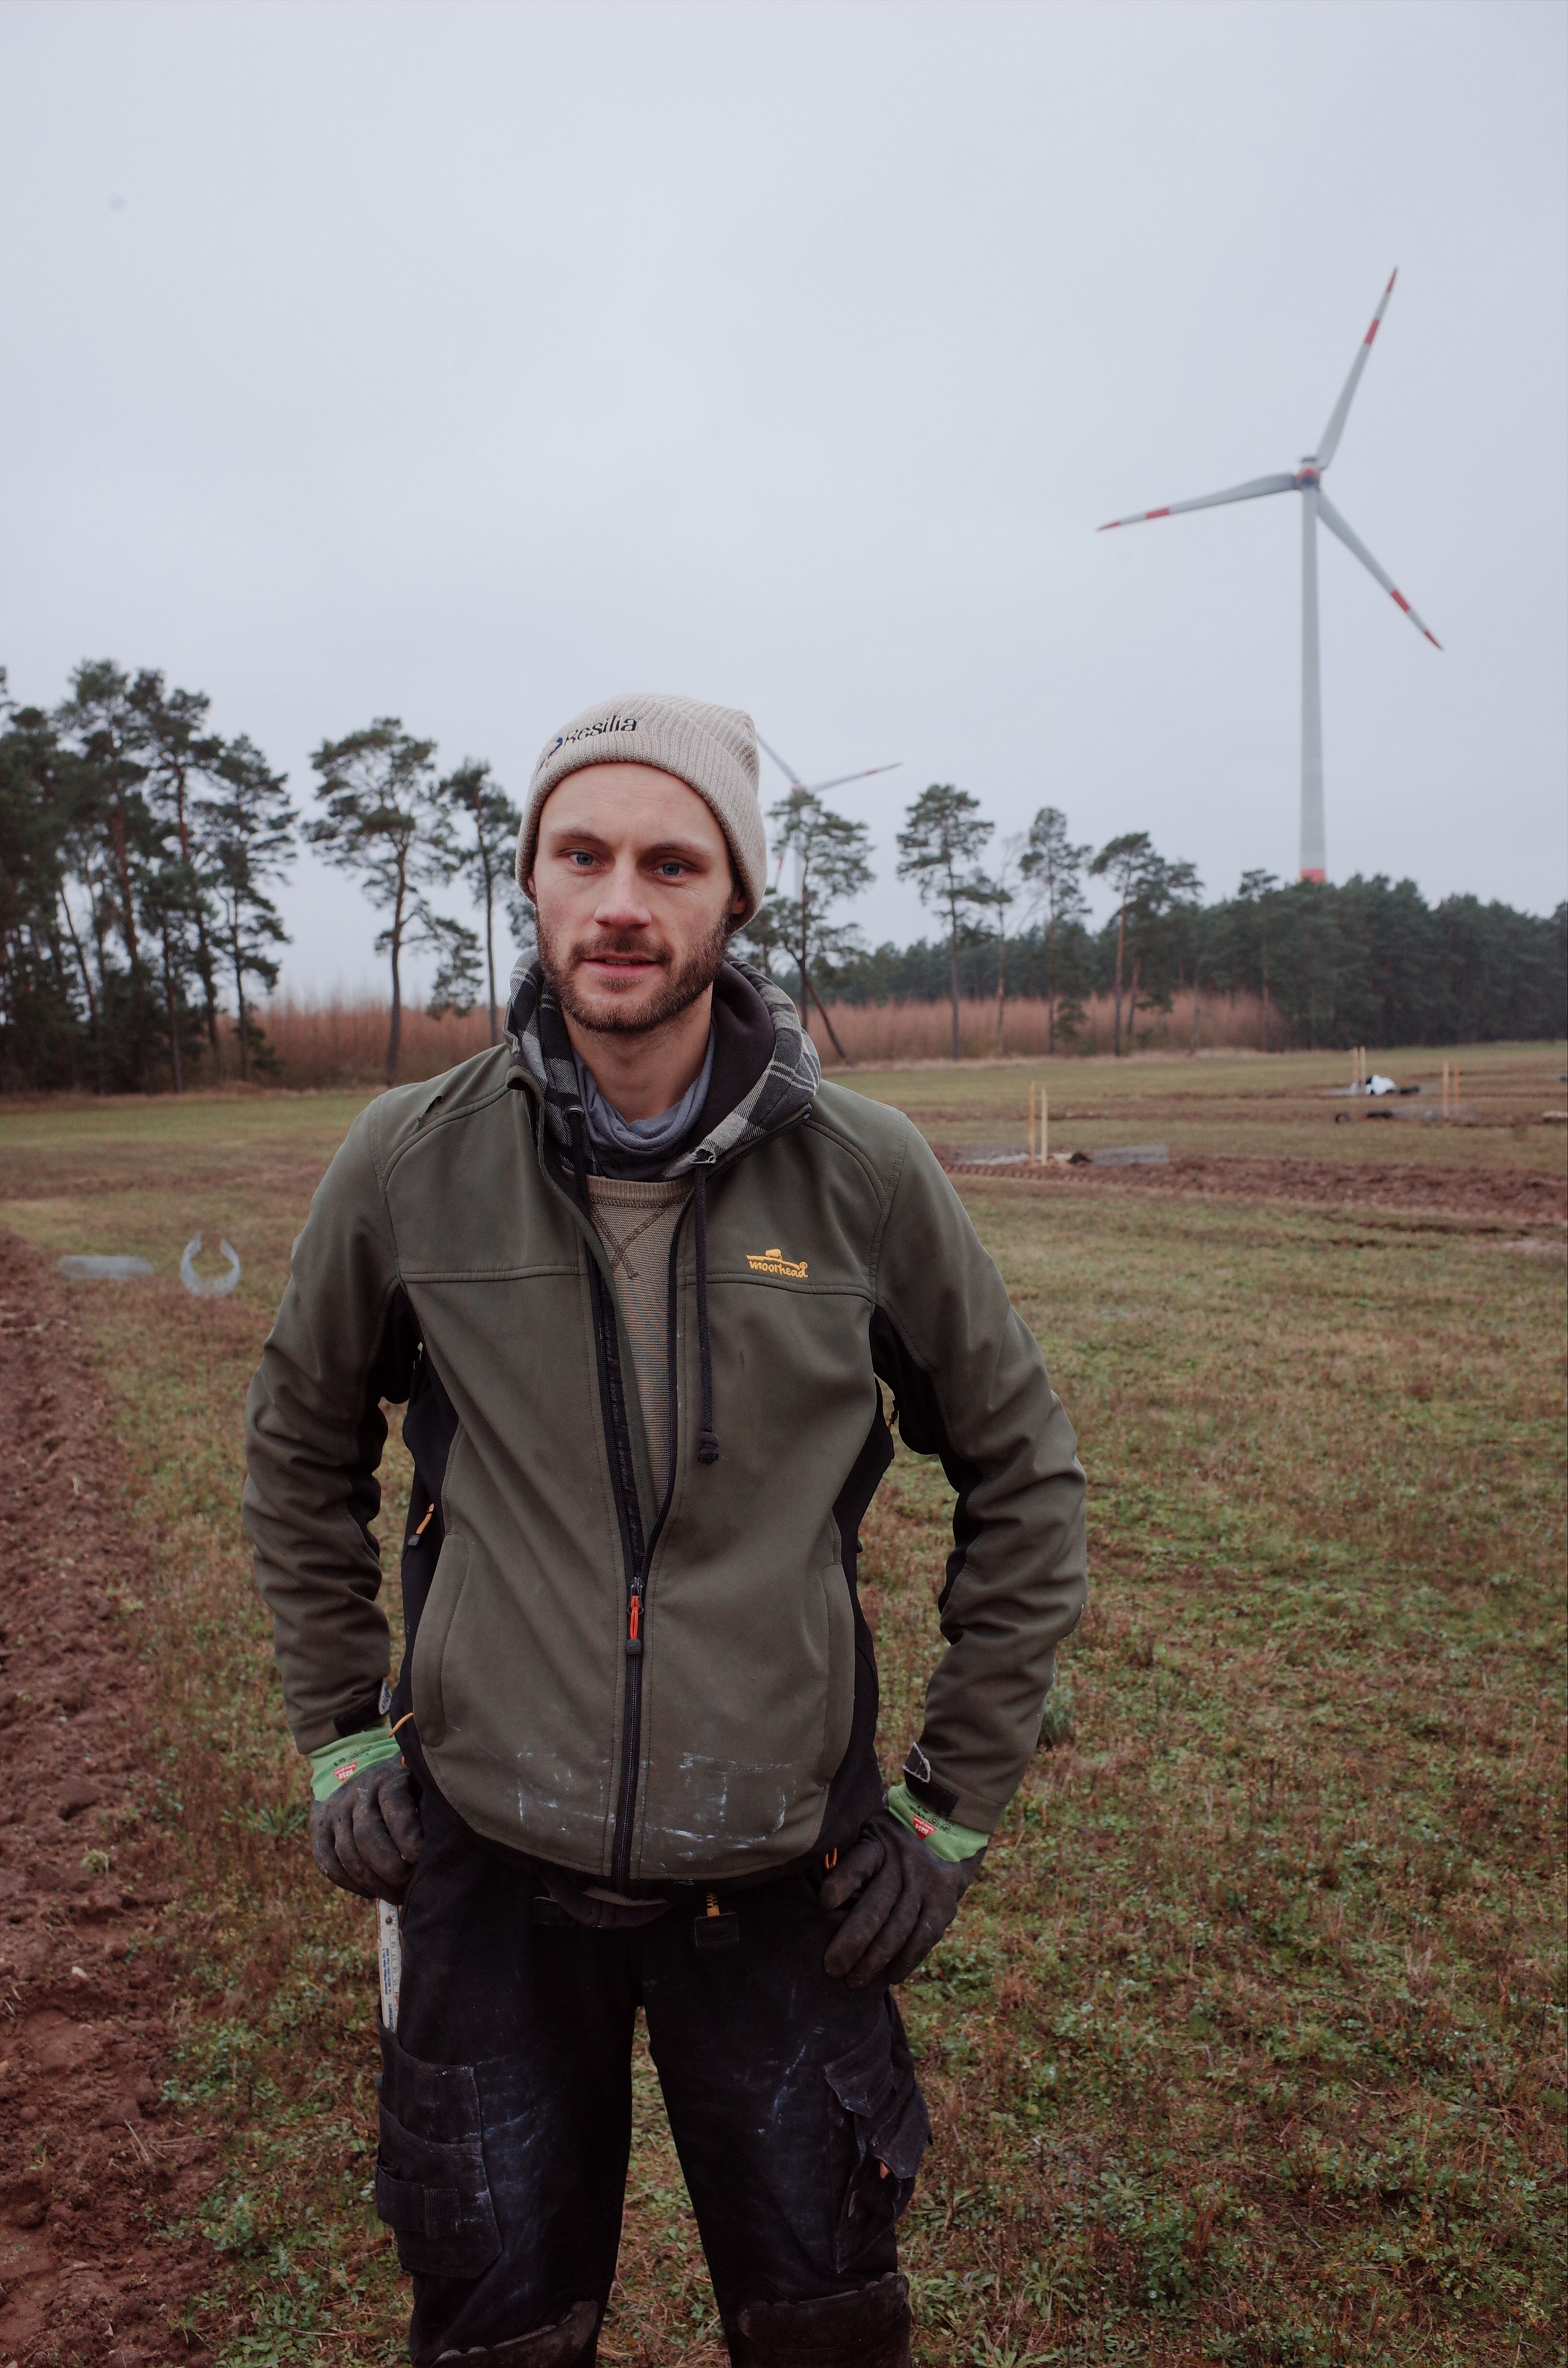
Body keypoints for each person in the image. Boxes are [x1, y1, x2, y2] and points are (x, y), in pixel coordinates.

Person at [244, 693, 1086, 2368]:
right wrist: (344, 1734)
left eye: (671, 861)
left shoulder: (866, 1176)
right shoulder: (409, 1160)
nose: (622, 898)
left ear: (736, 900)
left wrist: (950, 1806)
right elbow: (298, 1440)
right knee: (497, 2330)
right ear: (534, 880)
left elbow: (1025, 1474)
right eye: (584, 853)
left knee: (824, 2324)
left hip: (785, 1873)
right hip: (487, 1860)